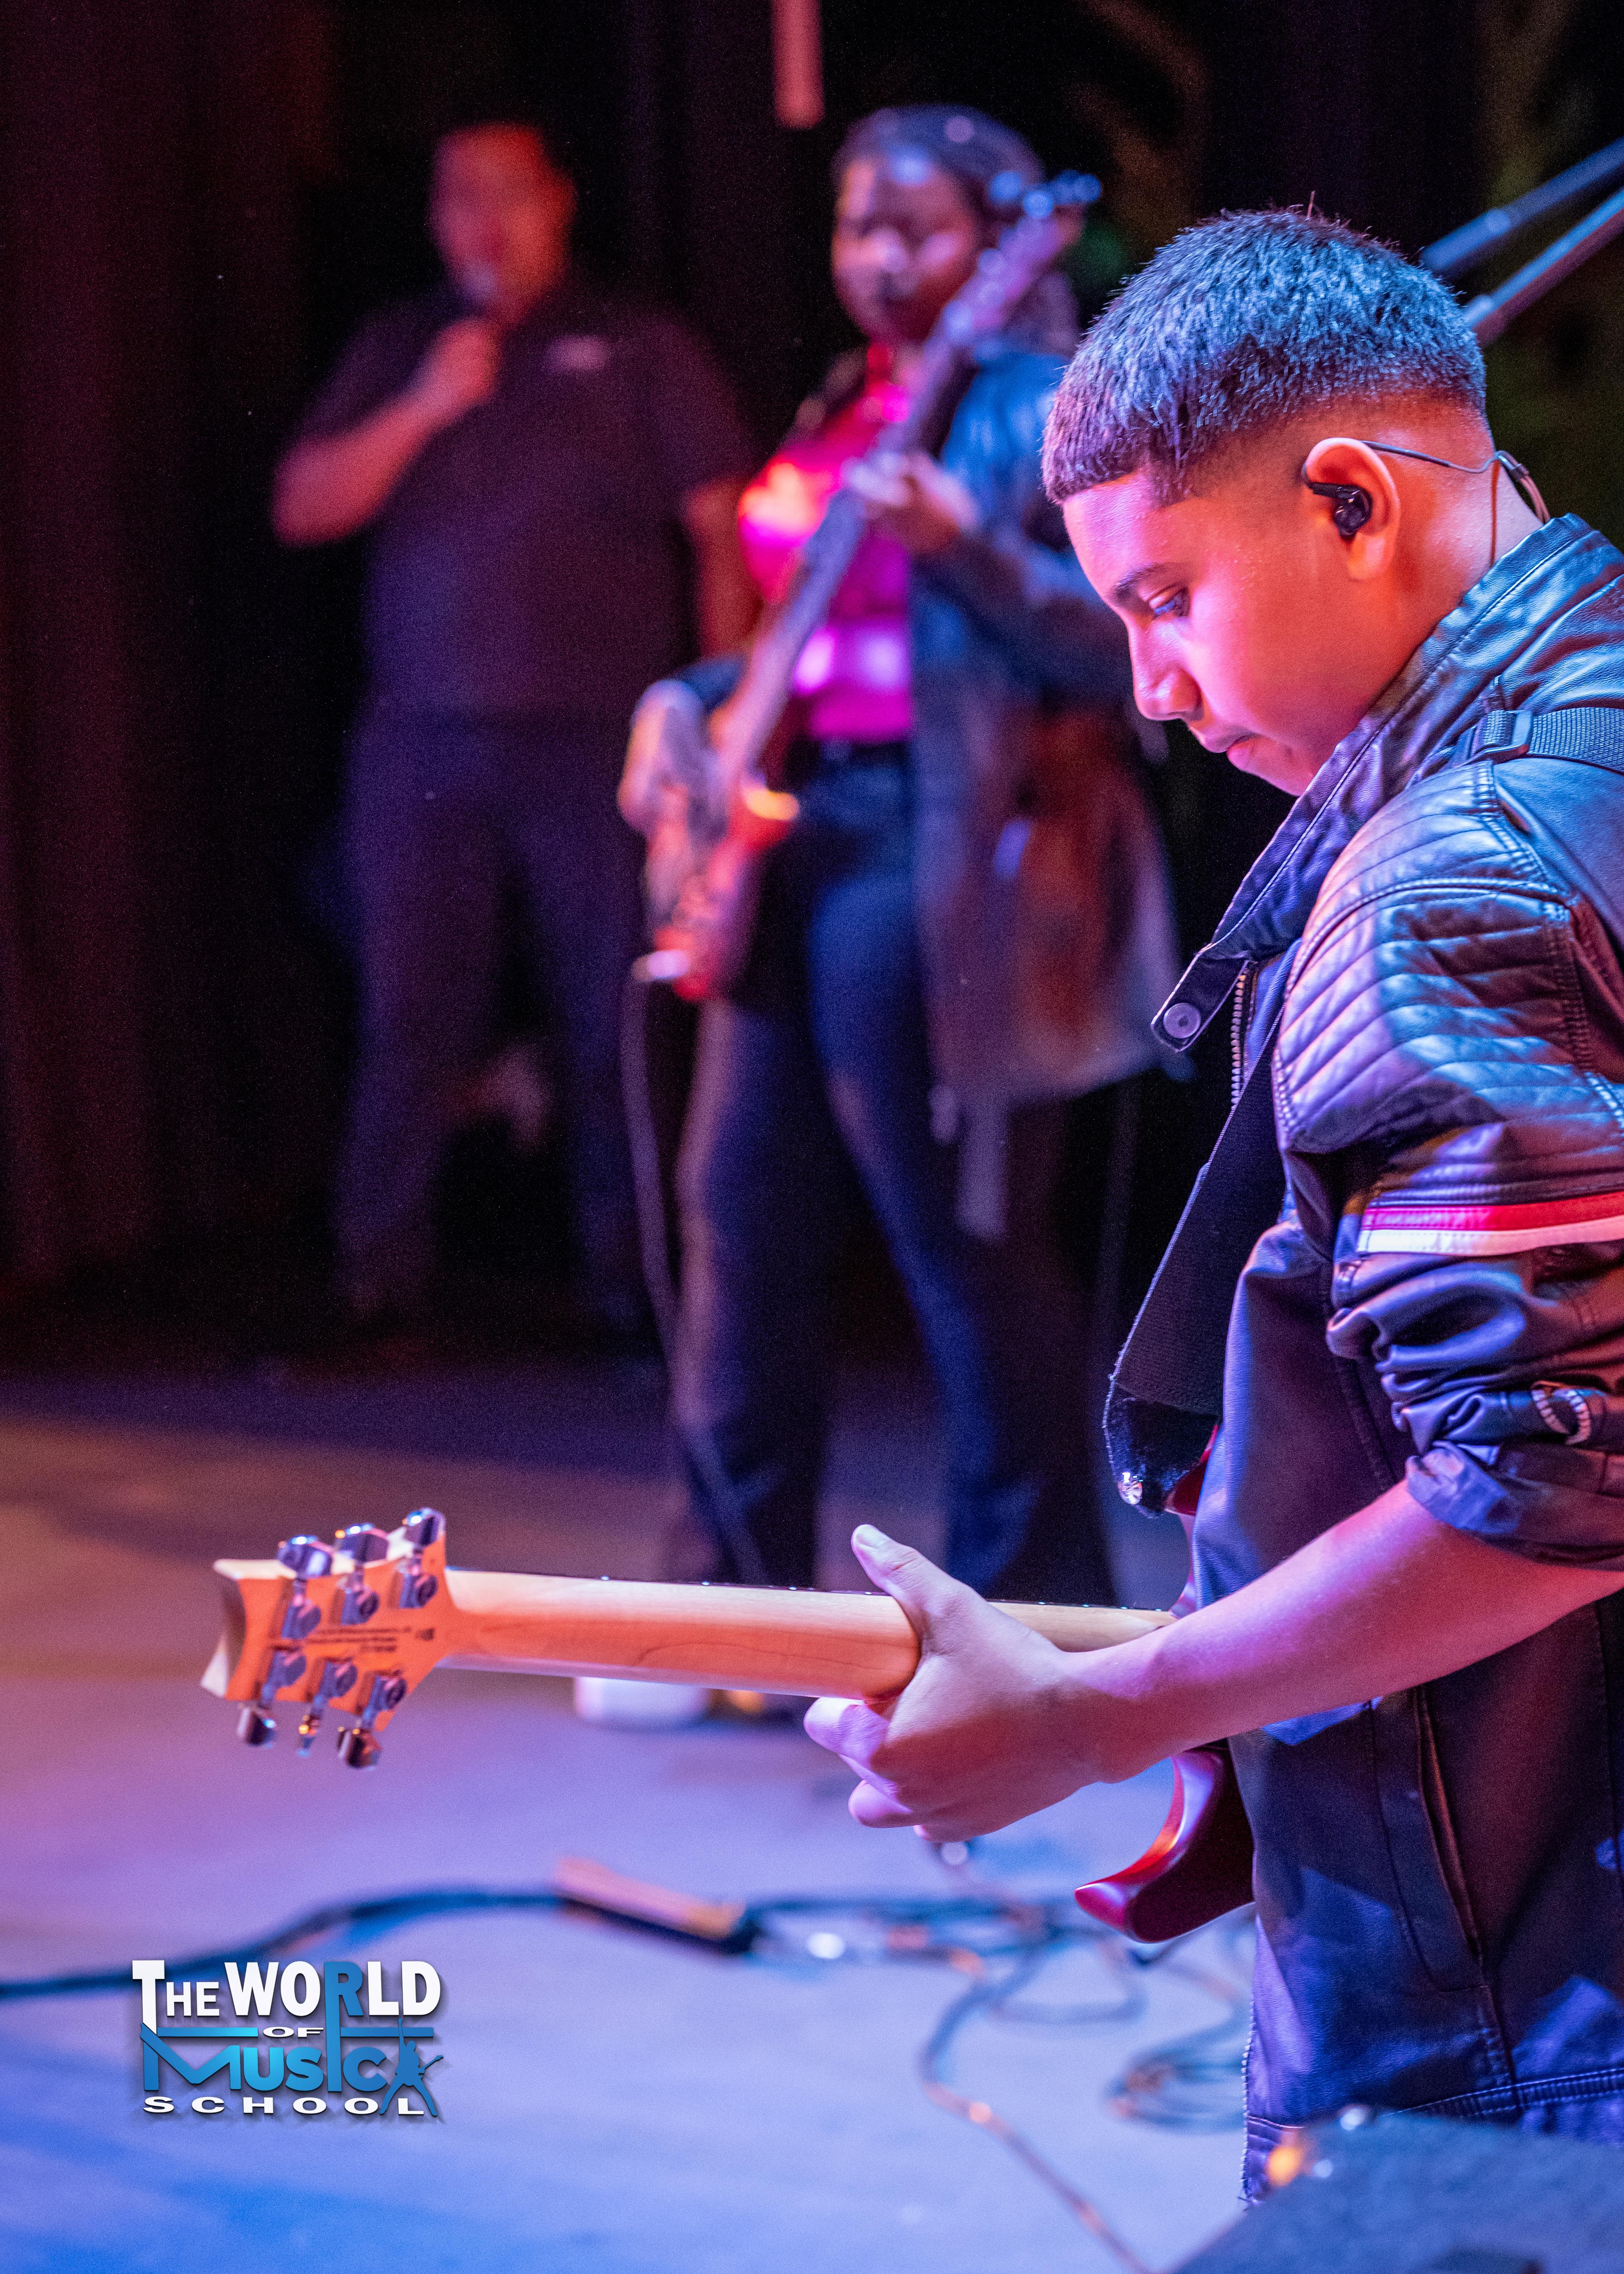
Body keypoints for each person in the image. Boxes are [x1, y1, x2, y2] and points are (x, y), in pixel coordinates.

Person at [804, 207, 1624, 2188]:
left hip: (1529, 2026)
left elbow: (1559, 1485)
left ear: (1352, 500)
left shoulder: (1457, 881)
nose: (1155, 689)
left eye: (1167, 598)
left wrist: (1096, 1722)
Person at [621, 107, 1176, 1606]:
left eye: (915, 230)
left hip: (942, 845)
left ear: (1000, 245)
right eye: (857, 226)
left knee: (961, 1239)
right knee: (740, 1218)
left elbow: (1131, 641)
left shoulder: (1048, 407)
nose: (878, 258)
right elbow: (790, 640)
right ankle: (732, 1611)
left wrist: (963, 547)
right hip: (794, 835)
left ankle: (1035, 1605)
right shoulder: (839, 402)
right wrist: (682, 707)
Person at [275, 120, 757, 1337]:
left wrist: (723, 714)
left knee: (610, 1025)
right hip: (421, 744)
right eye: (457, 198)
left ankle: (633, 1300)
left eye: (507, 196)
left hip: (593, 744)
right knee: (407, 1020)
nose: (482, 223)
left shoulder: (637, 345)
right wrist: (427, 405)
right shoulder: (406, 344)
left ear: (558, 201)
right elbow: (304, 509)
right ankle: (373, 1286)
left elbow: (721, 533)